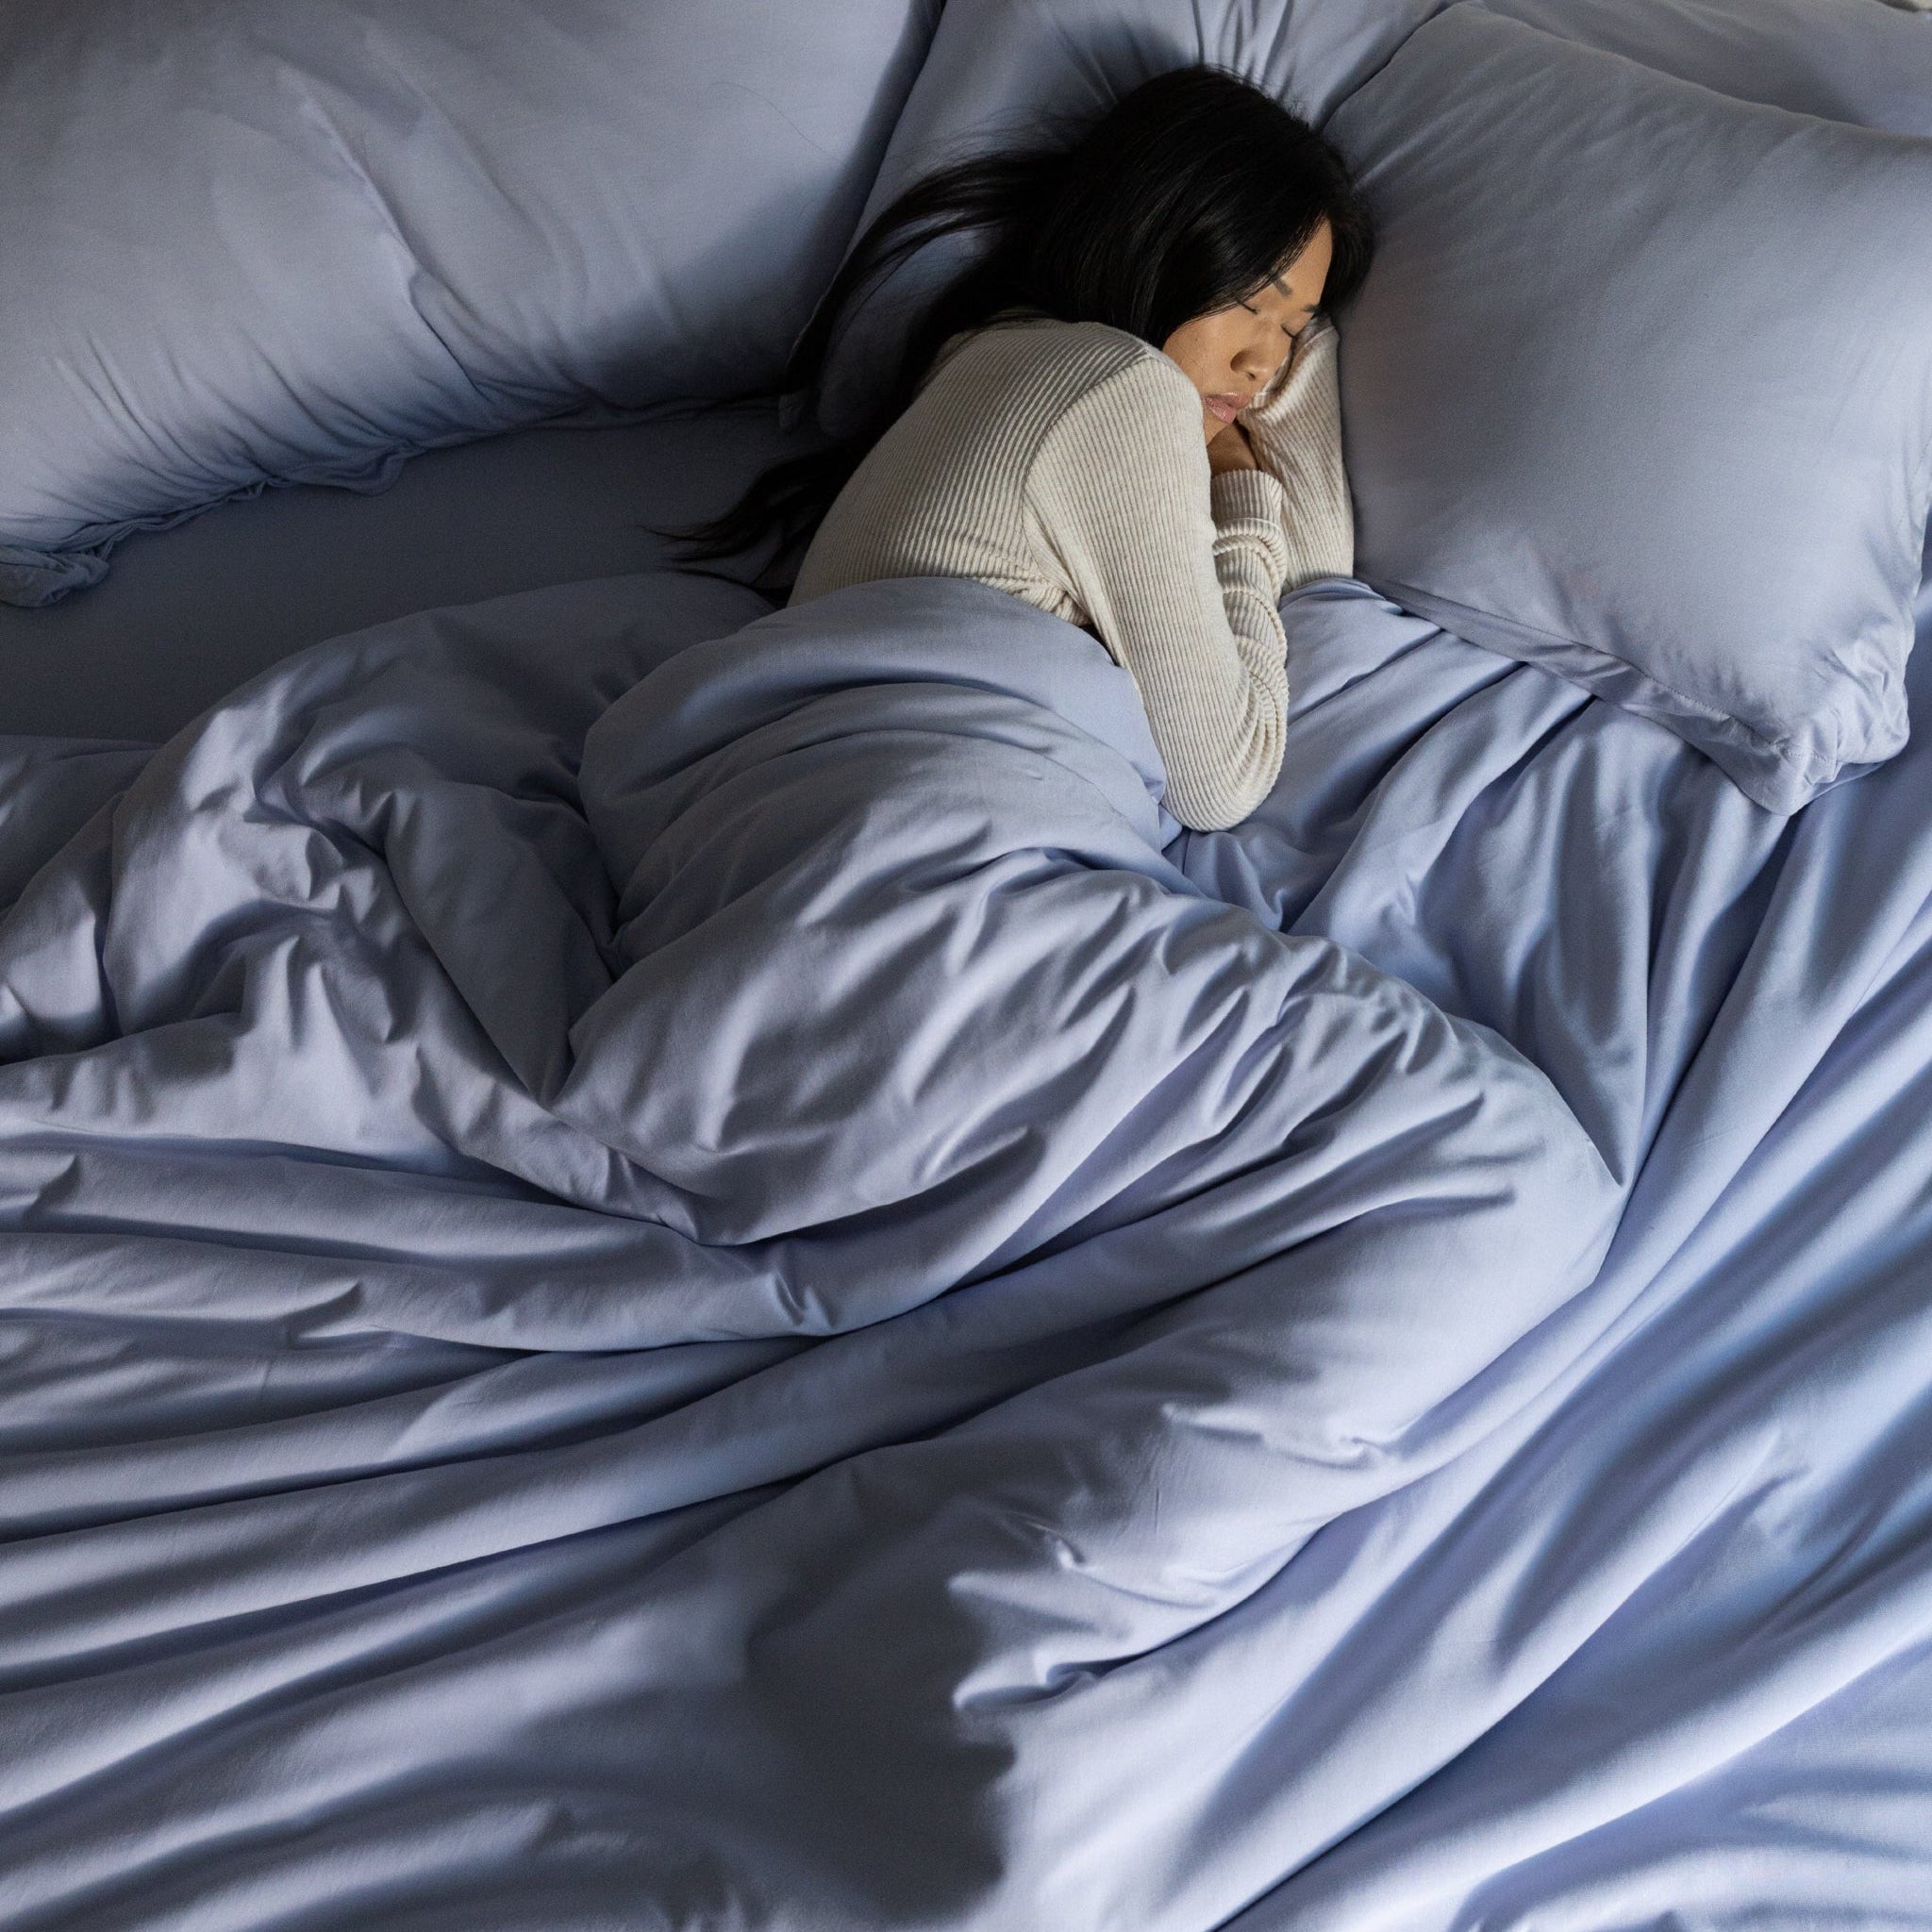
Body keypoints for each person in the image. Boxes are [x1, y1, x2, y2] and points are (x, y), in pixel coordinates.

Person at [666, 66, 1374, 831]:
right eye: (1249, 303)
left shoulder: (985, 349)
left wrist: (1303, 337)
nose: (1264, 363)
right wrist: (1239, 478)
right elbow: (1222, 782)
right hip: (911, 816)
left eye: (1294, 330)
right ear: (1156, 239)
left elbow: (1313, 581)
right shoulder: (1117, 389)